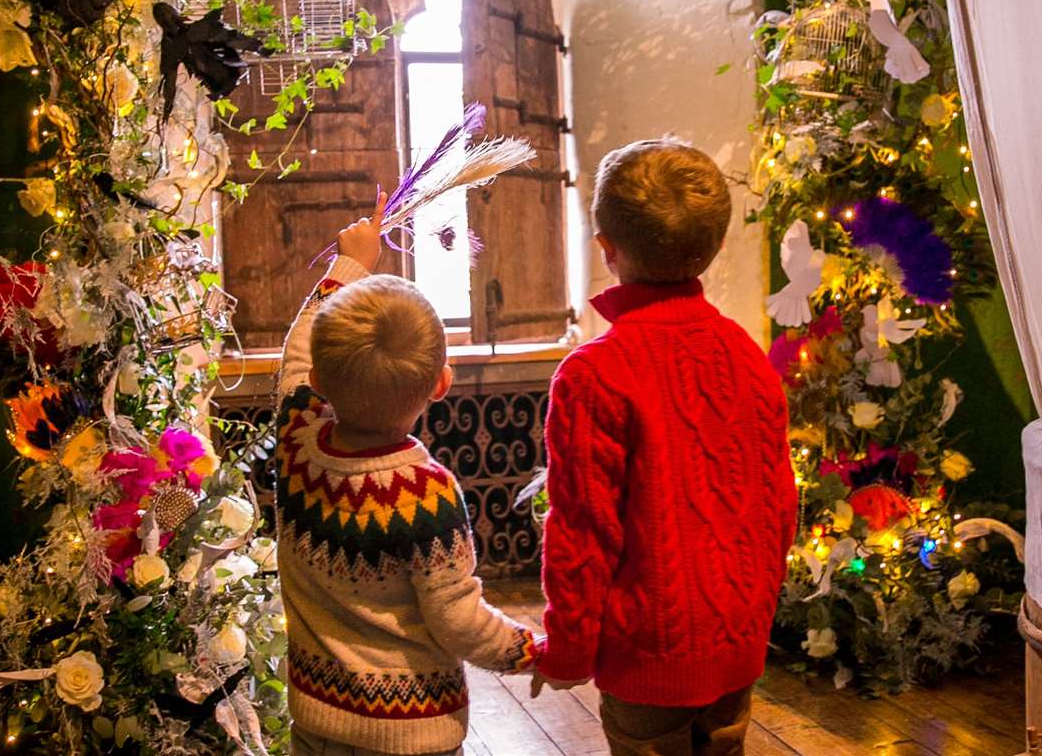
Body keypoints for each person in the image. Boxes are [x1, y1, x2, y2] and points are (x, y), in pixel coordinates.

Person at [533, 139, 798, 756]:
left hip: (646, 651)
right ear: (715, 246)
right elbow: (779, 510)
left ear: (607, 248)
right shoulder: (747, 357)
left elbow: (582, 531)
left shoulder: (594, 374)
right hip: (736, 640)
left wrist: (568, 649)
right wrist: (748, 611)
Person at [276, 192, 541, 756]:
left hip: (316, 724)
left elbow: (297, 352)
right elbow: (459, 621)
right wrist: (531, 650)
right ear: (440, 385)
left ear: (321, 378)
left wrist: (348, 268)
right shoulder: (426, 494)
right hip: (413, 733)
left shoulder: (296, 445)